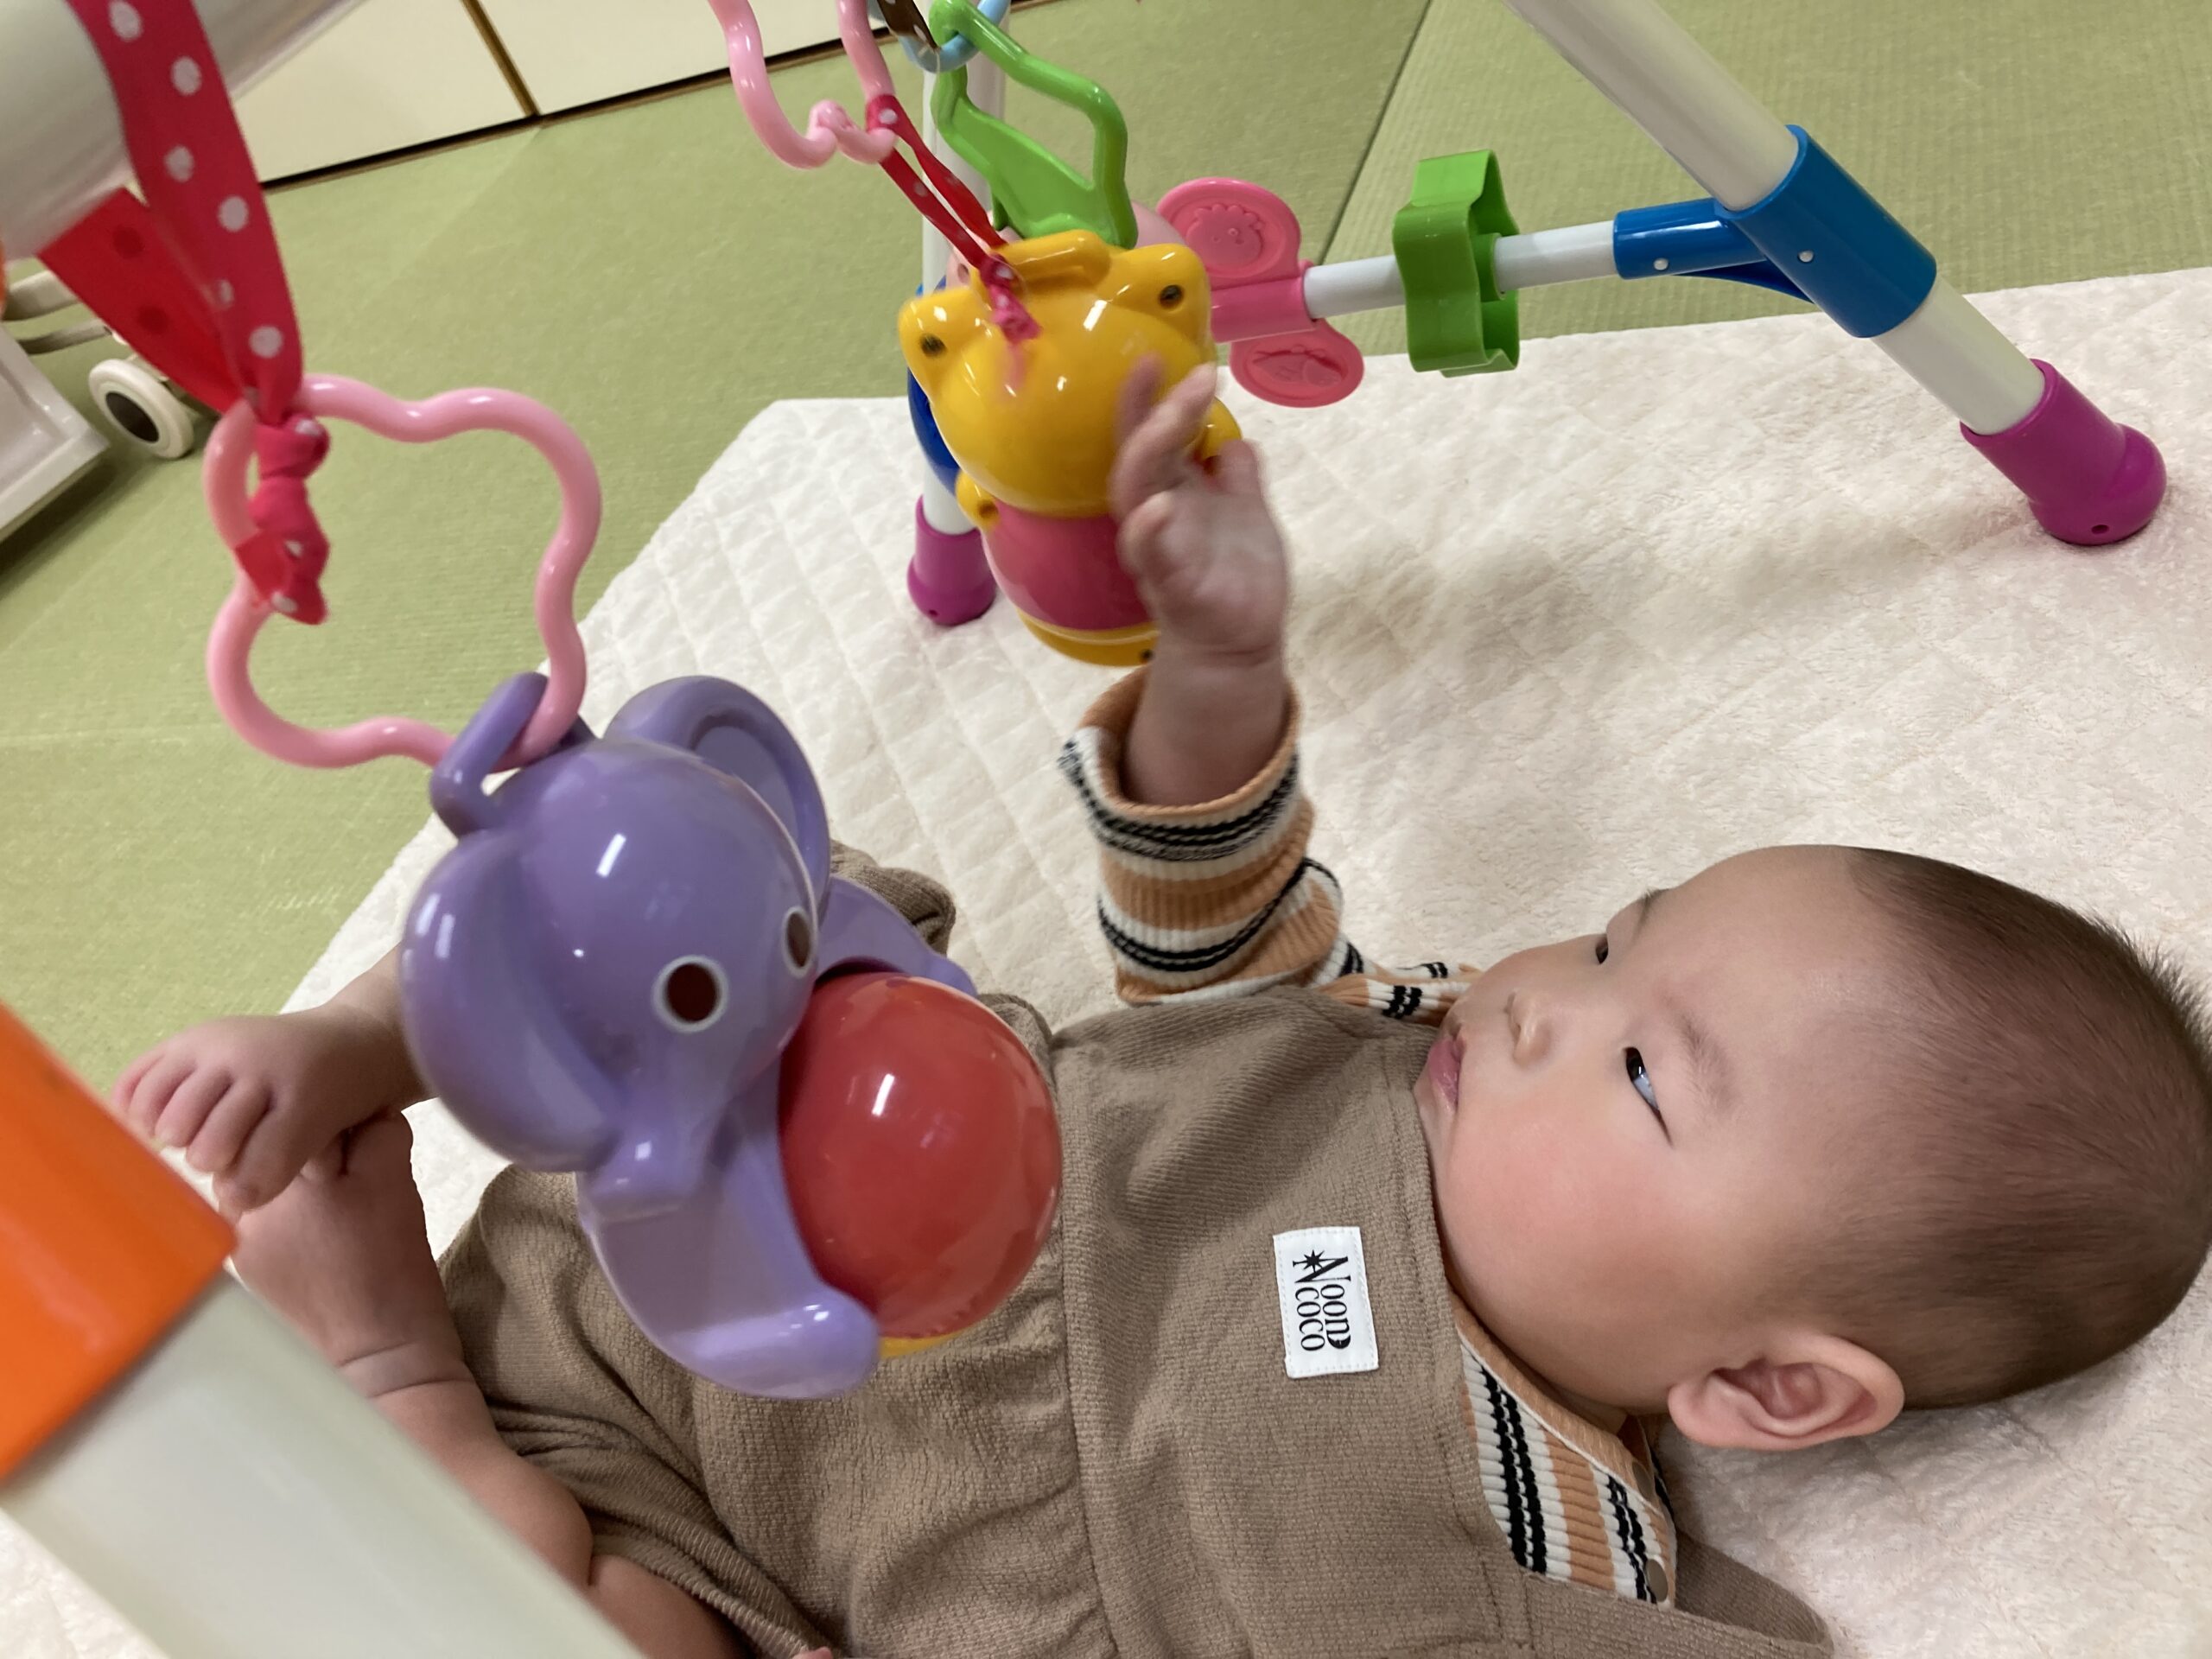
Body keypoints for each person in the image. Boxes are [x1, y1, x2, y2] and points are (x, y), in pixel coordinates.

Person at [118, 363, 2212, 1658]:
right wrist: (1218, 673)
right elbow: (1210, 897)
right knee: (762, 876)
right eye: (1605, 943)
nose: (1538, 1002)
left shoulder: (1554, 1556)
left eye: (1646, 1070)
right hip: (719, 1127)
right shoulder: (1377, 1053)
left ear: (1762, 1386)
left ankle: (388, 1365)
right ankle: (385, 1044)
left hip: (700, 1520)